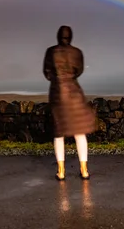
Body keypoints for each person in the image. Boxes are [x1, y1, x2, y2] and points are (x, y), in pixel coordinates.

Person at [43, 25, 97, 180]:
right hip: (74, 92)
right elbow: (79, 70)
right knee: (79, 132)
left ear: (58, 36)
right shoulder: (77, 52)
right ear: (71, 36)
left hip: (57, 93)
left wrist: (57, 79)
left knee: (59, 133)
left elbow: (47, 72)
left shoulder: (51, 52)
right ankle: (84, 170)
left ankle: (61, 172)